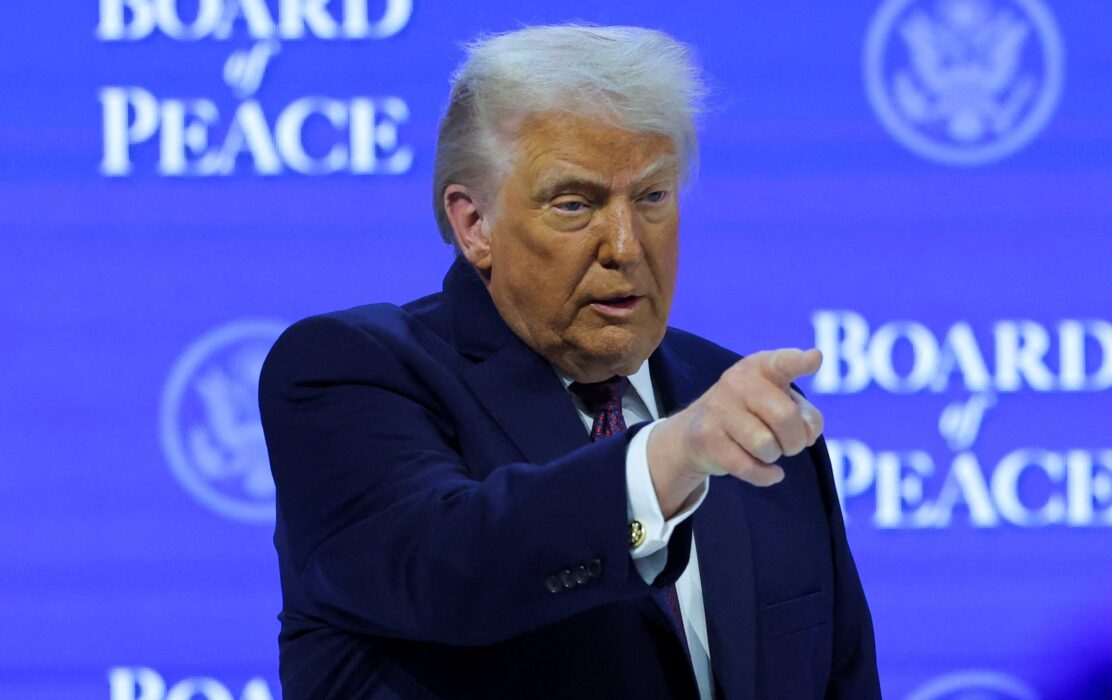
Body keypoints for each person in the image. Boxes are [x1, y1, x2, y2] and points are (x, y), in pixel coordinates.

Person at [260, 24, 881, 699]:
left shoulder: (744, 413)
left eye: (652, 197)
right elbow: (450, 565)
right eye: (575, 204)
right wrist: (667, 458)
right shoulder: (350, 372)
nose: (625, 246)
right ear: (474, 225)